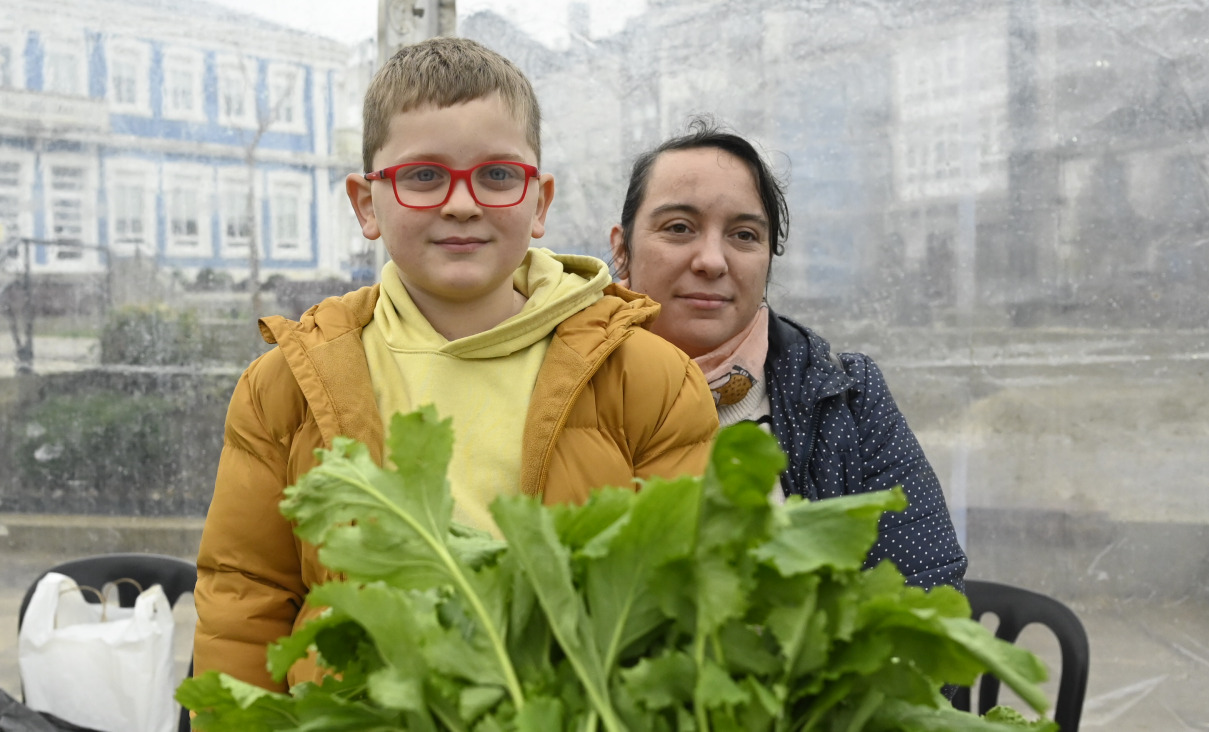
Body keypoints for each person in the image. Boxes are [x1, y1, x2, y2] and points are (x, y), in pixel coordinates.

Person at [193, 38, 719, 691]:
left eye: (497, 175)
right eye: (424, 176)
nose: (462, 203)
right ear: (365, 203)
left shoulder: (650, 378)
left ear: (540, 202)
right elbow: (245, 596)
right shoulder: (285, 386)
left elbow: (686, 592)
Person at [610, 121, 966, 591]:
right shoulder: (562, 387)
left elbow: (924, 604)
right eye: (679, 228)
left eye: (744, 235)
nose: (713, 261)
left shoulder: (846, 401)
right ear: (621, 249)